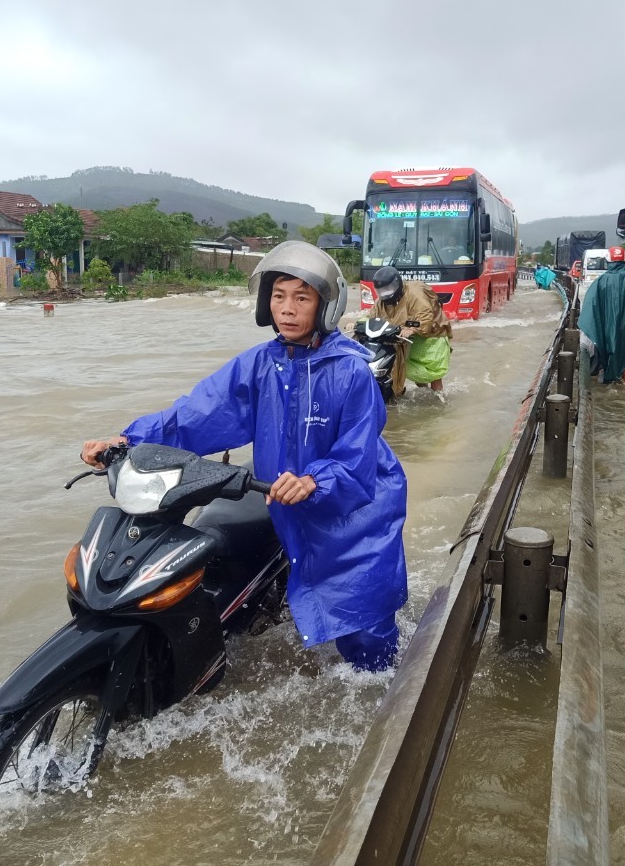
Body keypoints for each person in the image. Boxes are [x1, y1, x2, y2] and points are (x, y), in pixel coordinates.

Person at [81, 241, 408, 671]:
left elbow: (357, 453)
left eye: (301, 297)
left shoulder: (350, 371)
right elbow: (195, 413)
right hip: (286, 498)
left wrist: (315, 480)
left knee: (365, 628)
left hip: (357, 511)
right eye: (278, 296)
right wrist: (127, 439)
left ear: (325, 305)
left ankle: (387, 696)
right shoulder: (259, 365)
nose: (287, 309)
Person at [370, 265, 453, 396]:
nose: (385, 294)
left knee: (434, 374)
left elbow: (425, 316)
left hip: (433, 336)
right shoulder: (381, 301)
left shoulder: (414, 293)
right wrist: (359, 324)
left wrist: (413, 329)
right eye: (381, 291)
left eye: (388, 289)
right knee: (414, 371)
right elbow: (373, 316)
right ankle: (423, 394)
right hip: (409, 338)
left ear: (397, 284)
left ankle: (438, 400)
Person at [577, 245, 625, 387]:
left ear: (608, 261)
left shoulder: (599, 282)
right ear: (624, 261)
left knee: (605, 353)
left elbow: (589, 308)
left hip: (605, 328)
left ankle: (607, 381)